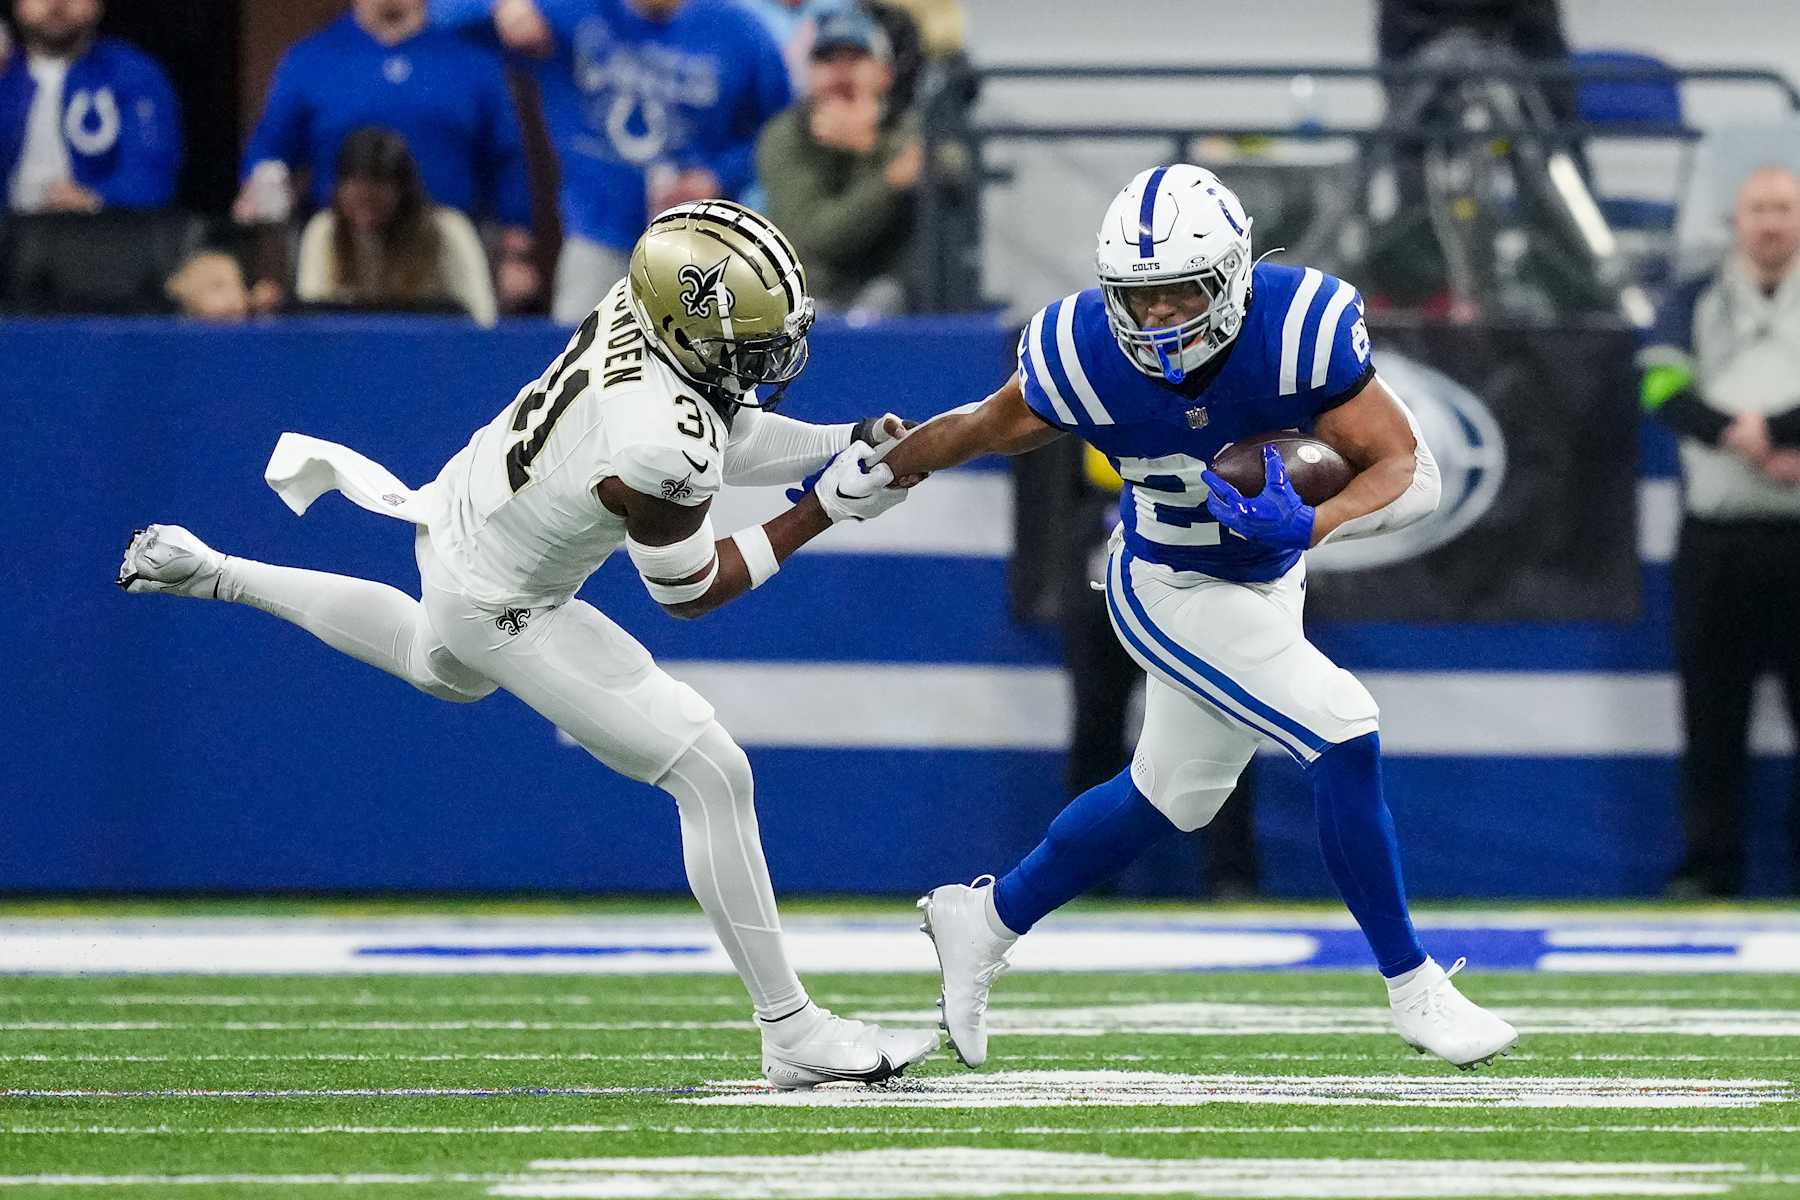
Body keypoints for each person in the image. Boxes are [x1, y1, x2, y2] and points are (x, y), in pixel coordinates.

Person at [117, 199, 937, 1089]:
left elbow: (718, 425)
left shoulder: (640, 309)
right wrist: (826, 507)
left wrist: (834, 444)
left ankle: (214, 572)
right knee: (710, 771)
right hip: (507, 591)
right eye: (748, 341)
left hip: (466, 508)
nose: (767, 360)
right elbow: (691, 588)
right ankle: (792, 1029)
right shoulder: (658, 443)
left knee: (439, 665)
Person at [886, 164, 1517, 1071]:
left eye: (1180, 293)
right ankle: (1413, 986)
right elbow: (984, 426)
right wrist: (884, 467)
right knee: (1344, 729)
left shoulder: (1298, 329)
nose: (1157, 320)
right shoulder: (1083, 352)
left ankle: (981, 920)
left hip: (1266, 577)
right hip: (1169, 584)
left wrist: (1313, 522)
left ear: (1231, 277)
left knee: (1174, 793)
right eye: (1138, 300)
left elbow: (1412, 474)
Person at [430, 0, 791, 324]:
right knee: (577, 360)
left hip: (700, 239)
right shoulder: (576, 12)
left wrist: (720, 175)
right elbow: (437, 18)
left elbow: (782, 128)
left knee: (708, 360)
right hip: (598, 232)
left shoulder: (739, 31)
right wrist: (499, 10)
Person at [1641, 166, 1800, 898]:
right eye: (1759, 210)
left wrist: (1778, 428)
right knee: (1712, 714)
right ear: (1737, 222)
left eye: (1785, 210)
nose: (1771, 223)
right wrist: (1742, 437)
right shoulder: (1695, 299)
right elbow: (1661, 388)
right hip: (1718, 539)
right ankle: (1710, 866)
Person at [234, 0, 537, 308]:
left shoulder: (472, 62)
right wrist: (261, 197)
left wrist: (516, 256)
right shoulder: (310, 59)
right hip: (342, 244)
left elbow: (507, 161)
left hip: (444, 242)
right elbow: (269, 153)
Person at [757, 6, 921, 316]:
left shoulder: (906, 129)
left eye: (856, 57)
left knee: (884, 297)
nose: (840, 71)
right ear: (808, 75)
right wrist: (887, 180)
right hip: (810, 297)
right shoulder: (784, 135)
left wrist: (871, 145)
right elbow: (811, 237)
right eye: (826, 58)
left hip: (893, 298)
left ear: (885, 74)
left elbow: (953, 177)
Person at [295, 128, 499, 327]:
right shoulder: (324, 230)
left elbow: (482, 319)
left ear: (403, 192)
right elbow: (311, 321)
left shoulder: (447, 230)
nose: (365, 211)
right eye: (355, 198)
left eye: (376, 199)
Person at [0, 0, 180, 213]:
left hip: (97, 233)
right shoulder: (7, 75)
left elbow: (152, 177)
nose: (57, 4)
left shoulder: (131, 72)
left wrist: (96, 199)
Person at [165, 250, 280, 324]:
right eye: (217, 286)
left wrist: (264, 310)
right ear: (189, 295)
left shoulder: (251, 326)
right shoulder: (178, 335)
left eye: (238, 284)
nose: (234, 294)